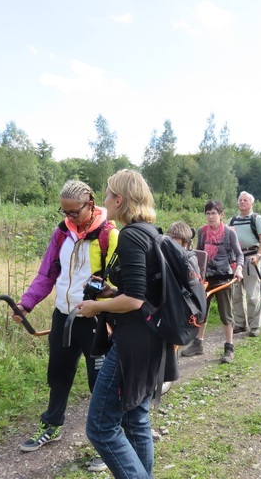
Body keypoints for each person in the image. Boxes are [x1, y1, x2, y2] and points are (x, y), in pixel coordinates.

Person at [76, 169, 179, 479]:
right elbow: (142, 292)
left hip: (134, 342)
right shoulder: (151, 231)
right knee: (135, 417)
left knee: (100, 427)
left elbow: (134, 300)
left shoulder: (132, 236)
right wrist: (112, 294)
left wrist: (97, 306)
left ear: (119, 200)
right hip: (151, 338)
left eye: (107, 195)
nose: (104, 201)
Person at [12, 180, 118, 472]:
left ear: (91, 203)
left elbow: (120, 284)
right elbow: (47, 273)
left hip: (95, 320)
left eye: (74, 211)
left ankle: (106, 442)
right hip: (64, 315)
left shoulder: (109, 235)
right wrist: (26, 303)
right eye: (65, 211)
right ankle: (52, 425)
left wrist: (105, 295)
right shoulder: (62, 233)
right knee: (58, 373)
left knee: (101, 384)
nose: (69, 217)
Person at [181, 201, 244, 363]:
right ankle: (198, 344)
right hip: (205, 277)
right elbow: (198, 254)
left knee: (225, 314)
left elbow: (239, 254)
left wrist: (239, 269)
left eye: (214, 213)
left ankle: (229, 348)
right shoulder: (202, 231)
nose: (210, 217)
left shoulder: (230, 233)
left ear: (221, 215)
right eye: (208, 213)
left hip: (223, 278)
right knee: (201, 311)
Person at [229, 191, 261, 337]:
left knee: (252, 295)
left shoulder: (256, 218)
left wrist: (259, 255)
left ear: (252, 203)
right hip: (236, 260)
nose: (242, 202)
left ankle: (255, 325)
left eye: (245, 200)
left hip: (252, 258)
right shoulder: (233, 220)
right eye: (240, 200)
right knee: (237, 294)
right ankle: (240, 323)